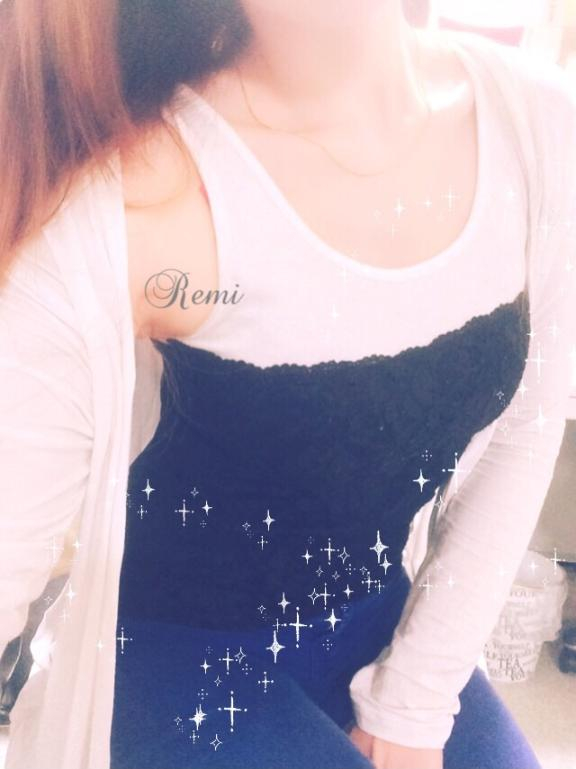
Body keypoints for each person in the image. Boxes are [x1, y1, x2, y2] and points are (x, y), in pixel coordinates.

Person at [1, 2, 575, 768]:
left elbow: (527, 424)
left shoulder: (539, 123)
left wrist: (415, 701)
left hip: (382, 621)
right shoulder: (132, 196)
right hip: (171, 654)